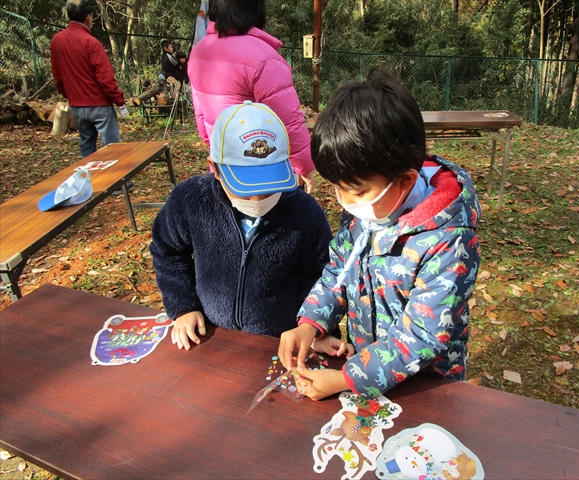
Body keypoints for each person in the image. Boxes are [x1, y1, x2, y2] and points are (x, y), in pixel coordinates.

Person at [278, 69, 482, 400]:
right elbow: (338, 272)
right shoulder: (370, 206)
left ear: (404, 180)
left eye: (354, 191)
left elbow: (423, 336)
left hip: (425, 386)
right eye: (336, 189)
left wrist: (348, 379)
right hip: (364, 362)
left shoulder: (448, 239)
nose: (344, 201)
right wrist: (310, 323)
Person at [150, 101, 333, 350]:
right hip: (210, 336)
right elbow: (167, 250)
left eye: (269, 188)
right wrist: (183, 306)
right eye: (245, 191)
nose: (259, 201)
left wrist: (311, 329)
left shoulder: (305, 212)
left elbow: (321, 277)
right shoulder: (190, 201)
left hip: (279, 343)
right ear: (215, 169)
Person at [188, 0, 316, 193]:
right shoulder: (264, 57)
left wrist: (212, 145)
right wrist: (304, 166)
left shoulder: (199, 51)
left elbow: (200, 112)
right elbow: (288, 121)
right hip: (264, 168)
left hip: (225, 162)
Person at [50, 0, 128, 158]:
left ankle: (88, 180)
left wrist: (70, 95)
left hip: (77, 106)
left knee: (87, 146)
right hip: (99, 105)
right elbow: (105, 79)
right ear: (88, 17)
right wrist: (120, 102)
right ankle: (119, 182)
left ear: (68, 14)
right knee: (113, 148)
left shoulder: (57, 41)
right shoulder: (91, 43)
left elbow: (57, 75)